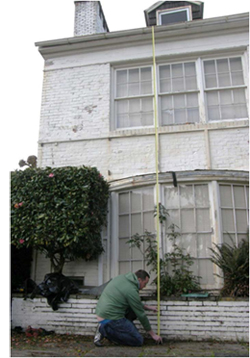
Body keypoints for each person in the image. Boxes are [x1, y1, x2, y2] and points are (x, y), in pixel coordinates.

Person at [94, 269, 162, 346]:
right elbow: (141, 315)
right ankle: (104, 330)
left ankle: (113, 328)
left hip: (102, 312)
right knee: (138, 340)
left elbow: (135, 303)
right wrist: (153, 335)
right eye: (145, 283)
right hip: (111, 317)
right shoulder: (131, 290)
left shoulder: (123, 278)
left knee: (132, 311)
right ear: (139, 280)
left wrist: (147, 307)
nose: (144, 287)